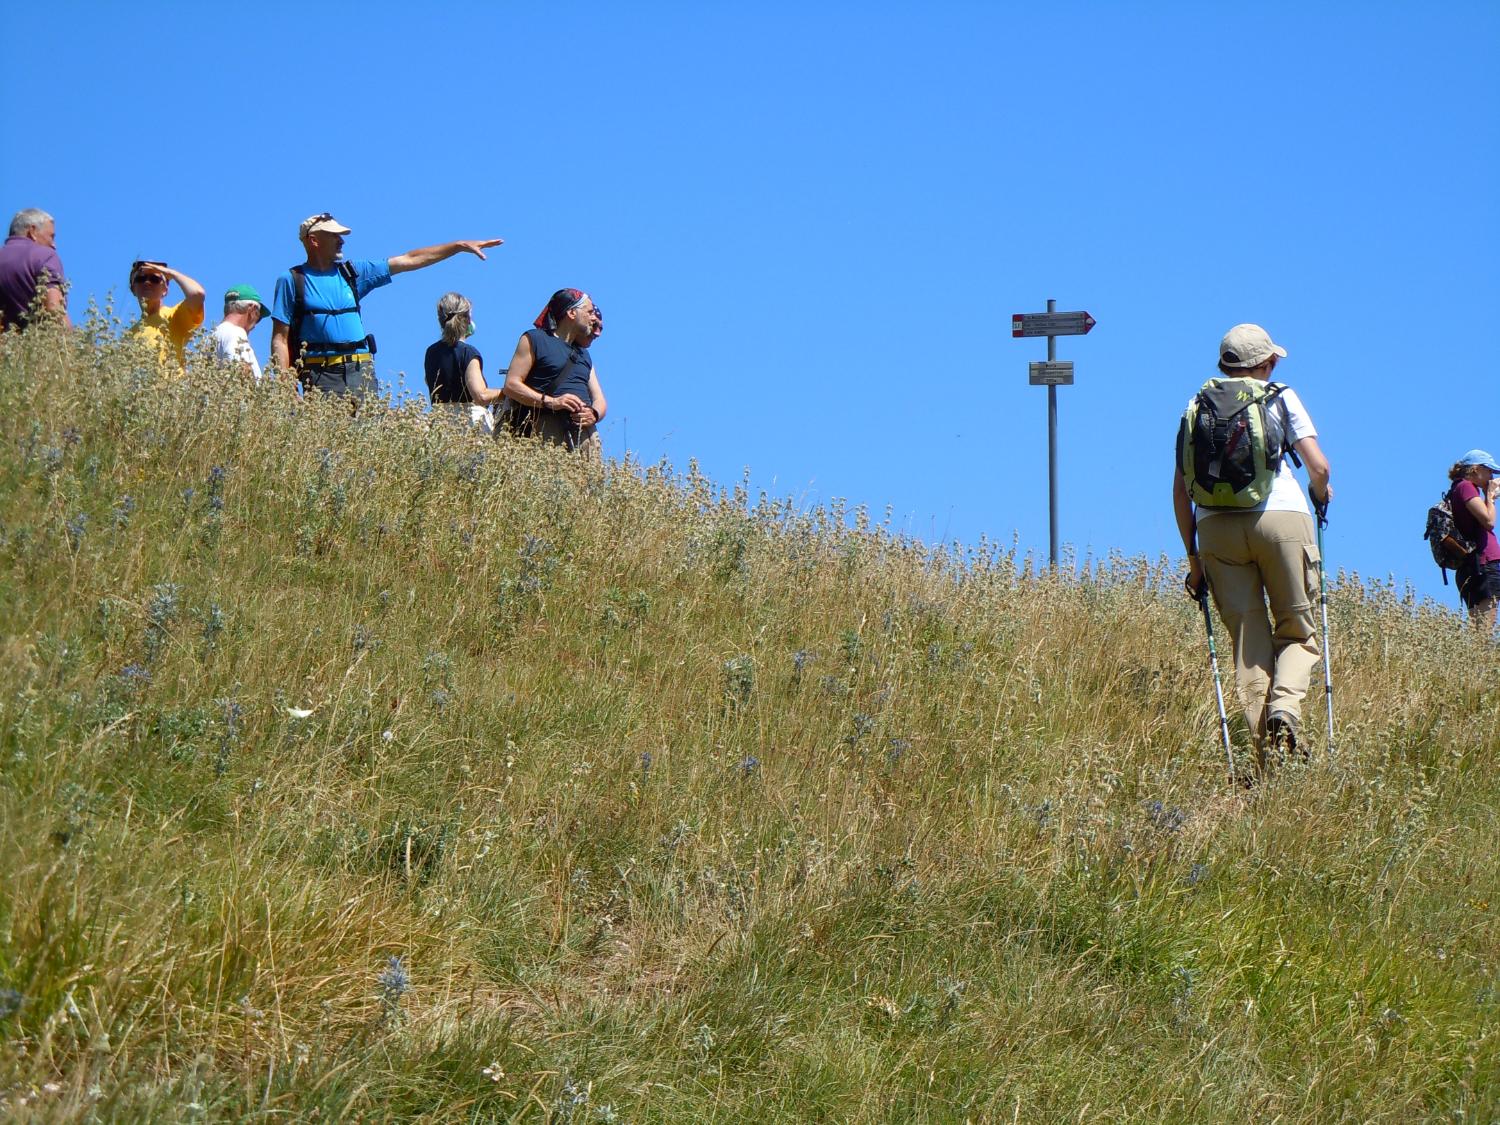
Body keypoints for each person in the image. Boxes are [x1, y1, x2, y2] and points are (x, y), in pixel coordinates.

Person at [1173, 323, 1332, 775]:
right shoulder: (1280, 394)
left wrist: (1194, 558)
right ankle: (1286, 710)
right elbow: (1318, 466)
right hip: (1282, 519)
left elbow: (1180, 491)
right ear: (1265, 363)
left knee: (1249, 645)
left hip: (1216, 529)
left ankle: (1262, 765)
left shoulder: (1195, 407)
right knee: (1298, 632)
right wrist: (1320, 495)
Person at [269, 213, 502, 400]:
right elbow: (280, 339)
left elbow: (409, 259)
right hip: (321, 376)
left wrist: (459, 246)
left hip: (362, 372)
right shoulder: (291, 281)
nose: (342, 240)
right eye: (334, 235)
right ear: (314, 240)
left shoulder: (352, 274)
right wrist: (285, 387)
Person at [501, 288, 608, 452]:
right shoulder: (535, 339)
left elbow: (599, 398)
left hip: (585, 437)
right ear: (572, 313)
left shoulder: (584, 355)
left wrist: (594, 414)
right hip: (543, 432)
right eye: (589, 312)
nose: (593, 318)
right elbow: (511, 385)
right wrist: (553, 402)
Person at [424, 292, 505, 431]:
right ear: (467, 319)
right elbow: (481, 395)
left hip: (439, 424)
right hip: (469, 424)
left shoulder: (431, 352)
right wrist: (507, 392)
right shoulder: (468, 352)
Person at [1447, 450, 1500, 635]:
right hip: (1484, 565)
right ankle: (1481, 663)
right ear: (1477, 470)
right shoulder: (1466, 487)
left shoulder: (1457, 488)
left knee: (1478, 630)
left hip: (1471, 566)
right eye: (1489, 471)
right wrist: (1491, 497)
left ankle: (1475, 662)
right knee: (1484, 632)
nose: (1491, 476)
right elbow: (1488, 521)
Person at [125, 260, 206, 371]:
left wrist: (172, 274)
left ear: (165, 290)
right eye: (141, 279)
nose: (147, 283)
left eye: (155, 279)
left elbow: (197, 294)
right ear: (133, 289)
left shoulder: (174, 315)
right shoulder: (128, 335)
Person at [0, 208, 68, 330]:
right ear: (32, 231)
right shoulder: (45, 256)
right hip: (34, 344)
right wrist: (73, 346)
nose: (54, 245)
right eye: (51, 237)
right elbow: (54, 311)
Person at [212, 284, 271, 380]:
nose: (256, 324)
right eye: (258, 316)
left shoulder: (210, 337)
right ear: (251, 309)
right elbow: (241, 371)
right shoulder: (236, 333)